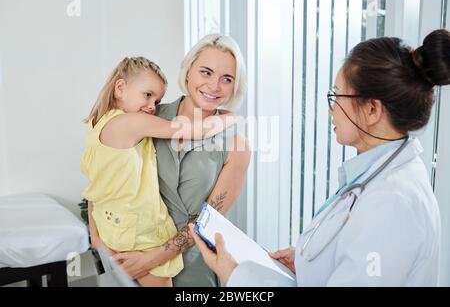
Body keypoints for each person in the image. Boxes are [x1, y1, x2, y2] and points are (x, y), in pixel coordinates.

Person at [190, 29, 450, 286]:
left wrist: (236, 274)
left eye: (337, 95)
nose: (331, 109)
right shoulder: (378, 177)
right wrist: (310, 264)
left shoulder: (393, 203)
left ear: (372, 110)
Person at [81, 56, 235, 286]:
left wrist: (95, 235)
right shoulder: (132, 123)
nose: (153, 106)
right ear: (121, 88)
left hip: (111, 226)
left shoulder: (98, 123)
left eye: (157, 99)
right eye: (147, 95)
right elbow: (196, 131)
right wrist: (230, 116)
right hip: (136, 232)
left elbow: (96, 185)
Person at [111, 35, 251, 287]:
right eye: (206, 72)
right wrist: (100, 242)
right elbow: (105, 170)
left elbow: (208, 220)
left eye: (226, 79)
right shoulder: (148, 115)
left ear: (234, 86)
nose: (214, 86)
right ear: (188, 73)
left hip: (193, 265)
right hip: (129, 254)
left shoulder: (237, 146)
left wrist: (152, 259)